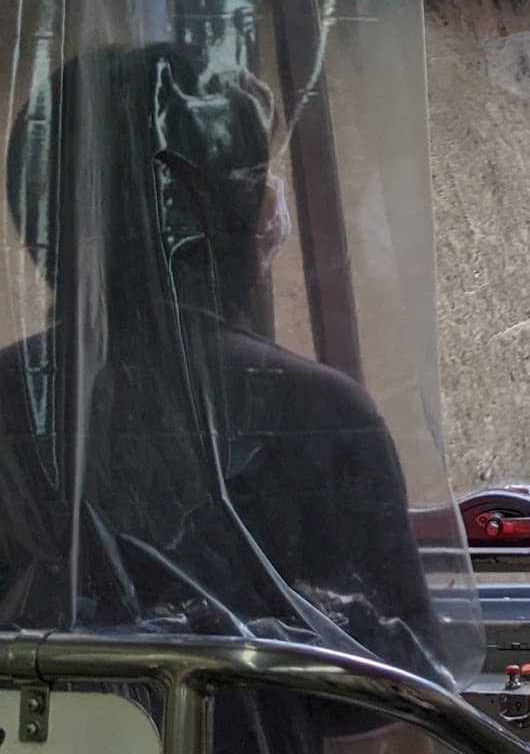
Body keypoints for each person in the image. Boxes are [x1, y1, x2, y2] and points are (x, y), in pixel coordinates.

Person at [0, 43, 445, 753]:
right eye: (261, 179)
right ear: (229, 214)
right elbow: (392, 685)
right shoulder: (315, 412)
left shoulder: (14, 400)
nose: (275, 203)